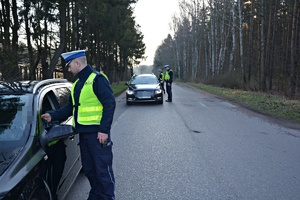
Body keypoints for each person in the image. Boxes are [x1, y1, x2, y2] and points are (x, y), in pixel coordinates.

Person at [41, 49, 116, 200]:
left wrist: (103, 130)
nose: (68, 69)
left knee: (102, 171)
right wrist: (52, 115)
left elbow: (110, 104)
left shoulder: (97, 79)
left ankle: (107, 197)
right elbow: (70, 108)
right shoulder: (76, 84)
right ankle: (95, 196)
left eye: (69, 66)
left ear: (77, 63)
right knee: (89, 170)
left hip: (98, 135)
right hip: (84, 135)